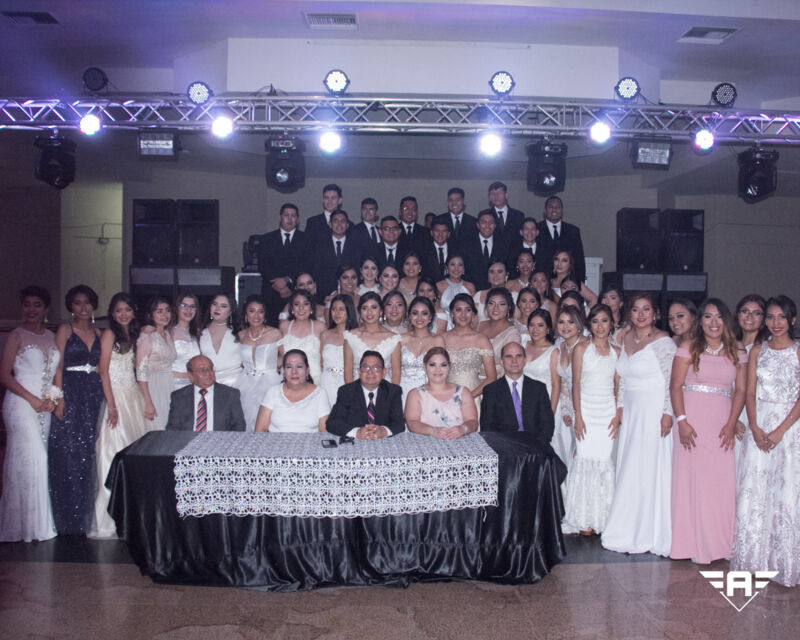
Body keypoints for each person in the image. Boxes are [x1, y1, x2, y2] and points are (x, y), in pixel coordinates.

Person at [669, 298, 746, 563]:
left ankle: (719, 545)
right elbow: (675, 386)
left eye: (719, 317)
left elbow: (741, 390)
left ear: (726, 320)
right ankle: (688, 545)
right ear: (700, 321)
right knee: (691, 484)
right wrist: (682, 421)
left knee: (720, 485)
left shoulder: (737, 349)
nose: (714, 323)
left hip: (721, 424)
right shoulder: (689, 347)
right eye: (708, 317)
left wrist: (731, 422)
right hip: (691, 423)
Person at [732, 295, 800, 587]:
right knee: (755, 490)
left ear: (792, 320)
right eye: (770, 317)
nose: (775, 322)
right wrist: (755, 426)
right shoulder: (758, 351)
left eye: (781, 317)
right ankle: (752, 559)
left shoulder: (798, 351)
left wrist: (780, 431)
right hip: (759, 422)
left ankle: (783, 562)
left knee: (785, 492)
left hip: (790, 428)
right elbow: (748, 392)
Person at [602, 292, 676, 557]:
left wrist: (668, 413)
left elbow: (672, 381)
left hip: (654, 410)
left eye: (646, 309)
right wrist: (620, 406)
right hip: (632, 413)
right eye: (636, 310)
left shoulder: (664, 342)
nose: (641, 315)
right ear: (629, 313)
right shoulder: (626, 338)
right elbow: (623, 376)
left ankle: (651, 531)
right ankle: (627, 526)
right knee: (630, 466)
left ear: (655, 313)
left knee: (650, 467)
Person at [0, 286, 59, 542]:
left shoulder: (52, 336)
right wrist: (32, 399)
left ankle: (28, 525)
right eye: (27, 304)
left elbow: (55, 375)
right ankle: (30, 527)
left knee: (33, 461)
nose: (31, 310)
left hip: (44, 407)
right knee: (35, 458)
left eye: (37, 305)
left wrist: (52, 399)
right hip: (20, 404)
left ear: (46, 309)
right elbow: (4, 375)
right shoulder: (16, 335)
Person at [89, 292, 148, 538]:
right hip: (116, 399)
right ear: (112, 314)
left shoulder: (132, 334)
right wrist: (112, 406)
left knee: (132, 456)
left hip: (132, 397)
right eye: (118, 310)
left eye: (127, 309)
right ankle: (107, 521)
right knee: (112, 453)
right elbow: (103, 371)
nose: (123, 314)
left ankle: (129, 518)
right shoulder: (109, 334)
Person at [49, 284, 104, 536]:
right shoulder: (64, 330)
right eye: (78, 303)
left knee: (91, 452)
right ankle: (68, 518)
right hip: (71, 392)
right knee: (69, 452)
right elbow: (57, 367)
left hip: (94, 394)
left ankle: (87, 515)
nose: (83, 307)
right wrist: (59, 398)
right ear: (71, 306)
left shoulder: (100, 333)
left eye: (87, 302)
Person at [565, 304, 620, 535]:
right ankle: (584, 519)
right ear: (589, 324)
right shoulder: (581, 348)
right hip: (586, 411)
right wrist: (578, 416)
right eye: (595, 321)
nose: (600, 326)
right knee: (585, 460)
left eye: (604, 321)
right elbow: (575, 384)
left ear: (611, 324)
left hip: (607, 412)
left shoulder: (618, 351)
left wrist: (617, 416)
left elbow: (618, 387)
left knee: (604, 462)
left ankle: (604, 518)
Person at [480, 342, 554, 448]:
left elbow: (547, 424)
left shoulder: (538, 388)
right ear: (501, 361)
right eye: (509, 356)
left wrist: (536, 448)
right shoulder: (491, 391)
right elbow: (487, 428)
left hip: (536, 448)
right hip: (505, 450)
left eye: (518, 356)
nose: (514, 361)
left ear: (524, 360)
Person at [327, 351, 405, 439]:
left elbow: (399, 424)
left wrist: (383, 431)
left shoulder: (393, 391)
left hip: (384, 442)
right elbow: (333, 422)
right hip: (355, 443)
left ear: (384, 372)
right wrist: (357, 432)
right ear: (359, 372)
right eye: (365, 367)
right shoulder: (346, 391)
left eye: (376, 367)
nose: (370, 372)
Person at [405, 347, 478, 439]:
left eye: (443, 365)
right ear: (425, 367)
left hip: (459, 442)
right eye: (432, 365)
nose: (438, 370)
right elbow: (412, 422)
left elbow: (473, 422)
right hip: (425, 443)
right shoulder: (415, 394)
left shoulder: (463, 392)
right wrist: (432, 431)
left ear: (449, 367)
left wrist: (462, 429)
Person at [258, 202, 311, 326]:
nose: (289, 219)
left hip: (295, 293)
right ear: (280, 217)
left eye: (293, 216)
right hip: (271, 294)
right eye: (286, 215)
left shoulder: (306, 239)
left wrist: (287, 280)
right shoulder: (267, 239)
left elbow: (307, 265)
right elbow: (263, 265)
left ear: (297, 220)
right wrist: (280, 286)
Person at [549, 306, 586, 478]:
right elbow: (563, 382)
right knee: (571, 452)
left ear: (579, 325)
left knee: (583, 452)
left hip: (587, 405)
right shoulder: (560, 346)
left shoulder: (587, 346)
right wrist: (565, 409)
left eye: (571, 322)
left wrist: (579, 412)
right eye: (561, 322)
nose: (565, 326)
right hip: (570, 407)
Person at [165, 355, 246, 432]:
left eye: (210, 368)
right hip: (188, 440)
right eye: (202, 370)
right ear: (190, 376)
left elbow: (239, 426)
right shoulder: (179, 397)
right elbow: (172, 428)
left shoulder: (230, 395)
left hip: (219, 440)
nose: (208, 373)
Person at [255, 350, 330, 433]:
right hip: (275, 441)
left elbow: (324, 433)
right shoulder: (273, 392)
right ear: (284, 372)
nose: (294, 372)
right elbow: (260, 430)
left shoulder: (320, 394)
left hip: (309, 441)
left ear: (307, 370)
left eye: (299, 366)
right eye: (289, 367)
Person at [236, 296, 282, 430]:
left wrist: (273, 367)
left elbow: (285, 355)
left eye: (260, 311)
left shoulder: (275, 333)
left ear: (265, 314)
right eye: (252, 311)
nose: (256, 316)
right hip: (246, 382)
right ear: (246, 314)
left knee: (270, 420)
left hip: (270, 382)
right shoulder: (241, 335)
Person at [443, 293, 497, 400]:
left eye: (467, 310)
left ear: (473, 313)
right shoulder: (442, 338)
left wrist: (467, 397)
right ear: (452, 313)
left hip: (473, 395)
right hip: (446, 395)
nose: (463, 315)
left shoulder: (481, 340)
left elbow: (491, 377)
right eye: (458, 310)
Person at [136, 296, 177, 431]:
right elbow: (140, 372)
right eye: (159, 311)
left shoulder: (167, 334)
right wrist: (148, 402)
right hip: (153, 388)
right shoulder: (147, 337)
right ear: (150, 314)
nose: (165, 315)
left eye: (167, 310)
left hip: (169, 385)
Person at [343, 292, 402, 385]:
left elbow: (396, 377)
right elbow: (348, 373)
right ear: (359, 311)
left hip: (384, 390)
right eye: (364, 308)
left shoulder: (393, 339)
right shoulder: (350, 337)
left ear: (381, 311)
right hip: (357, 389)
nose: (369, 312)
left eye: (374, 307)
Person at [399, 296, 446, 402]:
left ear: (430, 317)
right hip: (402, 391)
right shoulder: (401, 339)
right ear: (409, 316)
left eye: (424, 313)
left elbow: (442, 371)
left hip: (429, 392)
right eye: (415, 313)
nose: (419, 318)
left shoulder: (437, 340)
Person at [313, 209, 363, 300]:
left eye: (343, 221)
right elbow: (317, 272)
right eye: (336, 221)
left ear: (347, 225)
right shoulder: (319, 246)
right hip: (325, 296)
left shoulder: (357, 246)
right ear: (330, 224)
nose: (339, 224)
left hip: (350, 295)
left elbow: (358, 272)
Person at [319, 293, 359, 405]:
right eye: (334, 309)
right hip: (327, 382)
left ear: (349, 311)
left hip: (349, 381)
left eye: (341, 309)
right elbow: (321, 364)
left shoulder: (357, 335)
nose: (337, 313)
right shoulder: (325, 334)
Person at [536, 195, 586, 283]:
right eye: (550, 207)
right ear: (545, 210)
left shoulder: (573, 231)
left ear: (562, 210)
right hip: (541, 282)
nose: (554, 210)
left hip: (568, 282)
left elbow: (579, 261)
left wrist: (579, 283)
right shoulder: (536, 229)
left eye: (557, 207)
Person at [279, 289, 324, 384]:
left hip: (314, 380)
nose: (301, 308)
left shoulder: (320, 327)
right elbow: (280, 357)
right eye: (297, 304)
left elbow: (324, 359)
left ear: (311, 307)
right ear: (291, 308)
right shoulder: (284, 326)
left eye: (306, 304)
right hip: (289, 380)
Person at [199, 292, 242, 389]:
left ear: (231, 311)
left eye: (223, 306)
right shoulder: (200, 331)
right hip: (208, 382)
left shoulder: (239, 331)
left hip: (236, 383)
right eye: (215, 304)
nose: (217, 309)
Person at [478, 287, 522, 377]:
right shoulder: (478, 326)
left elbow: (511, 365)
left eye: (502, 304)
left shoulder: (512, 333)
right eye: (491, 303)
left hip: (497, 380)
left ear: (509, 307)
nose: (495, 308)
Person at [465, 210, 509, 291]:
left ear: (495, 225)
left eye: (491, 222)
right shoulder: (466, 244)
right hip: (472, 290)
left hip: (498, 290)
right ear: (478, 225)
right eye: (484, 222)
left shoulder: (504, 244)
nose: (487, 226)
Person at [479, 181, 525, 249]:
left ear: (506, 195)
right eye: (492, 194)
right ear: (489, 197)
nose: (496, 196)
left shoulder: (518, 215)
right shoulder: (484, 215)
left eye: (499, 193)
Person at [170, 293, 201, 390]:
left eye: (192, 306)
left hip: (193, 384)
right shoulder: (169, 331)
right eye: (184, 305)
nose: (188, 310)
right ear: (177, 308)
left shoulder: (197, 333)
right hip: (173, 383)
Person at [523, 309, 557, 398]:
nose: (535, 329)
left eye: (540, 325)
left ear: (548, 329)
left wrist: (551, 407)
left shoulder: (553, 352)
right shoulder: (522, 343)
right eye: (532, 325)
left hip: (545, 399)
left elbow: (556, 386)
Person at [437, 254, 476, 323]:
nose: (456, 269)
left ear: (464, 268)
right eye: (452, 265)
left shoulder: (470, 286)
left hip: (466, 324)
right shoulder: (439, 286)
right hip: (444, 325)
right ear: (446, 267)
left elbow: (474, 312)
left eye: (460, 265)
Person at [439, 187, 478, 253]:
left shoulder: (473, 222)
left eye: (457, 200)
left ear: (463, 201)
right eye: (451, 200)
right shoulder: (440, 220)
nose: (454, 203)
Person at [419, 218, 454, 282]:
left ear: (448, 234)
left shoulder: (455, 250)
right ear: (431, 233)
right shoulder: (423, 251)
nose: (440, 234)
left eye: (444, 231)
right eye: (437, 231)